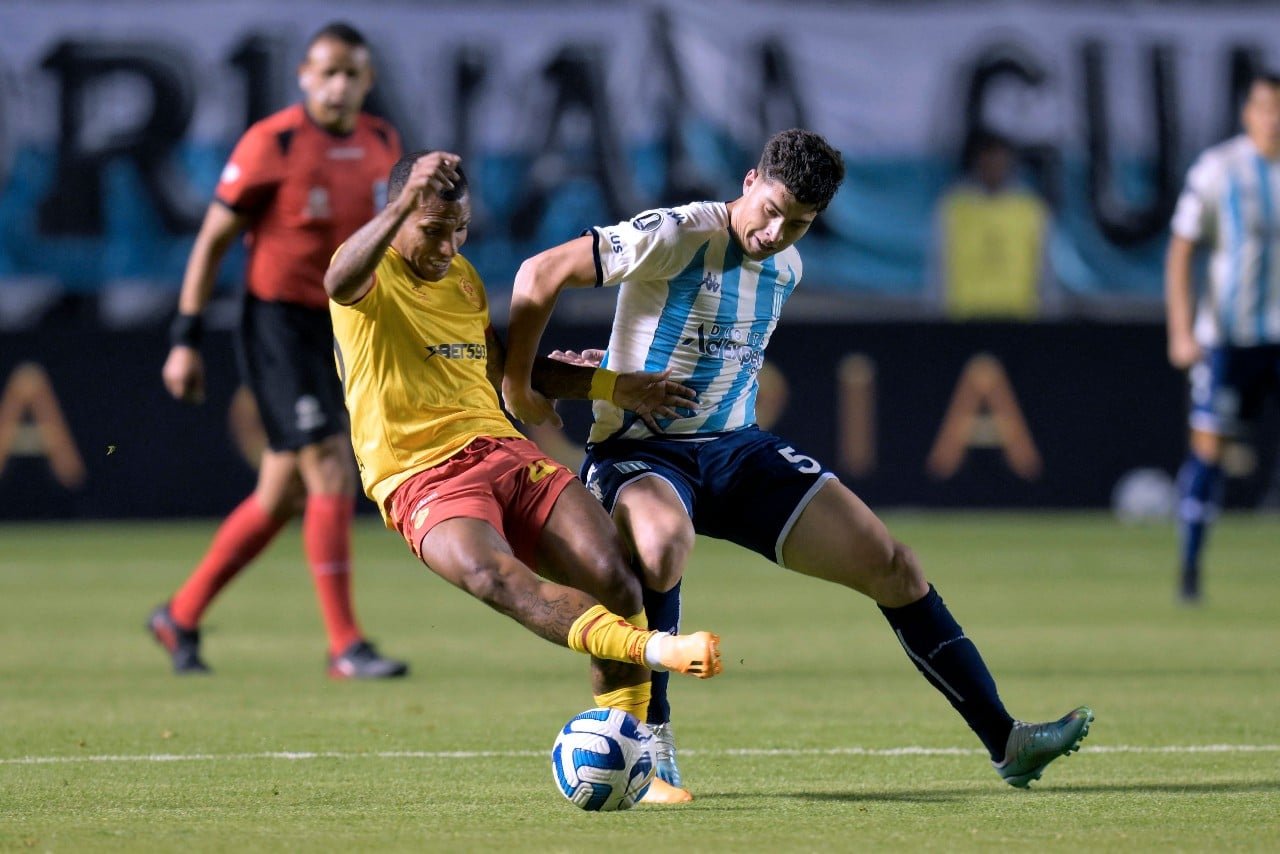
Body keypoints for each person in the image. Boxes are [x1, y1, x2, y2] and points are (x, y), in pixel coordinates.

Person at [502, 128, 1093, 801]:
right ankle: (652, 744)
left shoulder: (787, 267)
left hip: (737, 449)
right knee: (664, 544)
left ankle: (1006, 740)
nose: (775, 231)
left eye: (799, 223)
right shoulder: (679, 234)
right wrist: (521, 386)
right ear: (750, 182)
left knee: (894, 565)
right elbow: (537, 273)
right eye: (771, 209)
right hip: (639, 455)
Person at [322, 149, 722, 802]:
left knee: (615, 576)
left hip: (504, 452)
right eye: (432, 229)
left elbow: (509, 375)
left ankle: (636, 763)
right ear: (395, 219)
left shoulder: (464, 280)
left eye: (460, 229)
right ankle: (655, 652)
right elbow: (337, 277)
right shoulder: (369, 275)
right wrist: (399, 207)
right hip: (421, 477)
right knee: (492, 575)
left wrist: (614, 385)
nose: (448, 245)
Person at [150, 22, 409, 678]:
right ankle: (345, 645)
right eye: (327, 71)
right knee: (328, 470)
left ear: (368, 81)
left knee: (279, 493)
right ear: (303, 75)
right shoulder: (274, 142)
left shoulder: (383, 143)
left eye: (352, 73)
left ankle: (179, 615)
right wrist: (185, 340)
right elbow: (211, 242)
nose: (339, 84)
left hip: (345, 326)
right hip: (277, 325)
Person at [1166, 72, 1280, 604]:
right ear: (1247, 113)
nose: (1273, 119)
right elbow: (1182, 249)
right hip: (1230, 339)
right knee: (1209, 450)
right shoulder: (1219, 169)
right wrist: (1181, 330)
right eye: (1265, 108)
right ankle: (1189, 570)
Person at [930, 128, 1055, 320]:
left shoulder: (1030, 209)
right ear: (977, 162)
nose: (994, 167)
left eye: (999, 160)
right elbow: (938, 267)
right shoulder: (954, 208)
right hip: (966, 318)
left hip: (1018, 318)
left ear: (1010, 163)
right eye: (988, 160)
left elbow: (1045, 270)